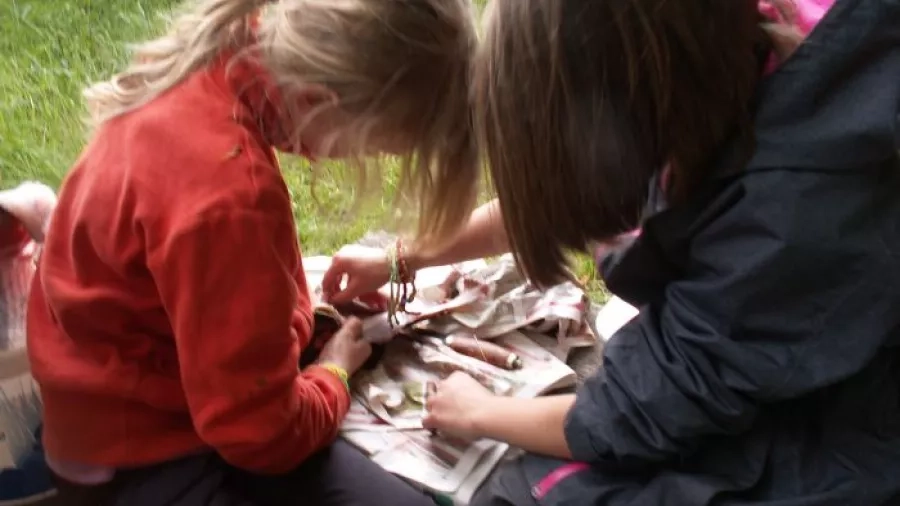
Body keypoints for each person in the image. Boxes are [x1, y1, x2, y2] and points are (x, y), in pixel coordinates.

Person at [322, 0, 900, 505]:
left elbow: (639, 413)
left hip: (856, 421)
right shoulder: (712, 66)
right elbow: (557, 197)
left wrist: (479, 413)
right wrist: (403, 257)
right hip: (793, 333)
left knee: (537, 492)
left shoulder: (784, 215)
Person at [26, 0, 477, 504]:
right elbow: (261, 435)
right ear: (318, 99)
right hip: (142, 455)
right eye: (372, 146)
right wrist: (333, 373)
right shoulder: (229, 194)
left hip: (115, 404)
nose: (363, 157)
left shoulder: (224, 53)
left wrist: (309, 321)